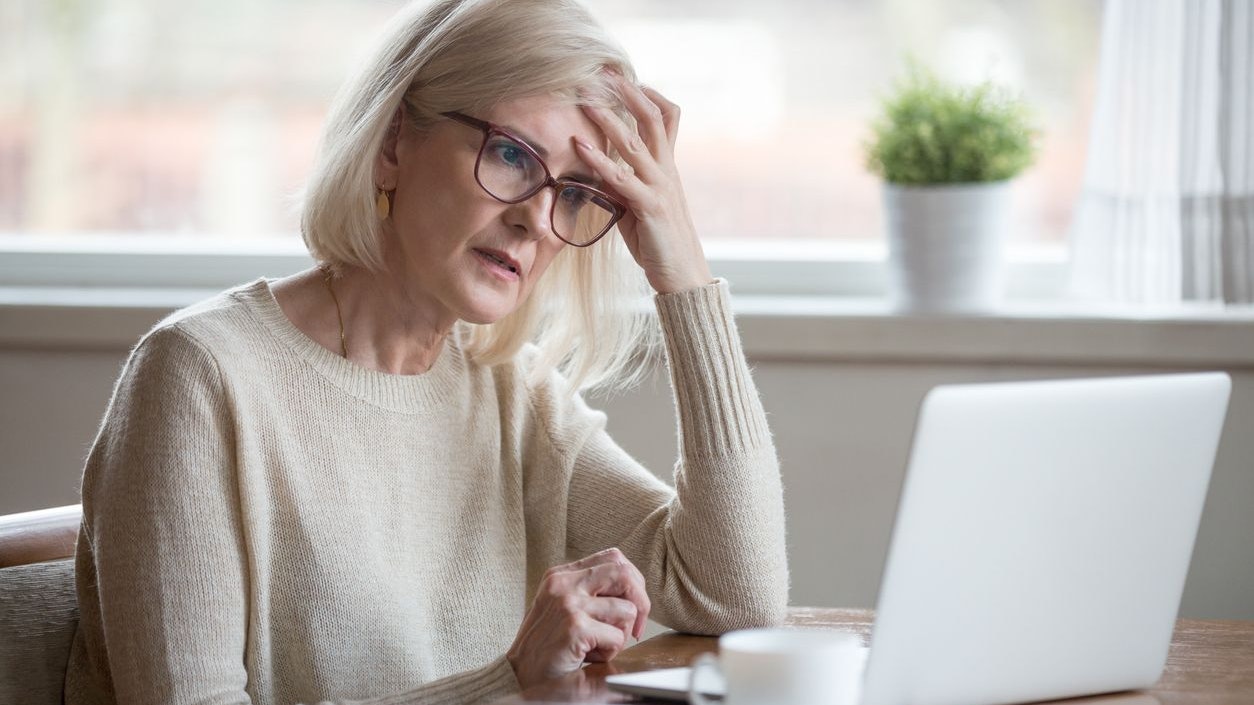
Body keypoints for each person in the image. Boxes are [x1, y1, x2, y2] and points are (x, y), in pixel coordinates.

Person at [64, 0, 789, 703]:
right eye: (511, 155)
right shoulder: (199, 376)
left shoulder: (511, 393)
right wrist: (507, 682)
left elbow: (733, 592)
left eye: (574, 194)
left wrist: (683, 273)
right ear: (392, 144)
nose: (535, 218)